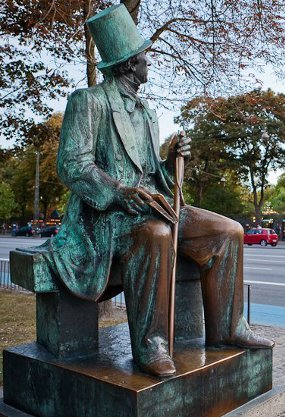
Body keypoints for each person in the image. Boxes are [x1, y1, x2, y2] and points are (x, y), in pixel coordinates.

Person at [44, 4, 272, 378]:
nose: (149, 60)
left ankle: (229, 329)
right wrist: (118, 192)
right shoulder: (89, 102)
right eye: (144, 55)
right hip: (109, 216)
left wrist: (170, 161)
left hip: (156, 202)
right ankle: (152, 345)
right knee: (156, 235)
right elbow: (73, 166)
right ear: (129, 63)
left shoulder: (148, 113)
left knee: (229, 232)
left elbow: (153, 175)